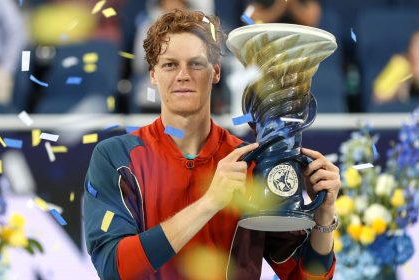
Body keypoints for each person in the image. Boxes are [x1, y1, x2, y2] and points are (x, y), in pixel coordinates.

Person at [83, 9, 340, 279]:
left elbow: (303, 276)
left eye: (195, 63)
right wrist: (210, 202)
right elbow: (114, 268)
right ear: (153, 74)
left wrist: (324, 217)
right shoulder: (117, 157)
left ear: (215, 72)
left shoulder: (249, 162)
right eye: (170, 65)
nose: (183, 75)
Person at [373, 30, 419, 104]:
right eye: (417, 46)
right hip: (401, 112)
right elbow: (378, 96)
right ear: (410, 49)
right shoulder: (400, 65)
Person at [244, 0, 322, 27]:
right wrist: (279, 8)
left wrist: (294, 6)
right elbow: (247, 19)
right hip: (268, 42)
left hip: (296, 43)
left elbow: (312, 20)